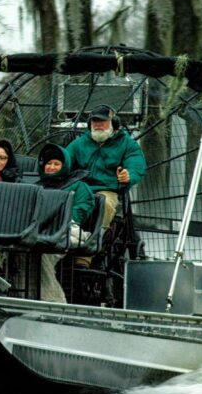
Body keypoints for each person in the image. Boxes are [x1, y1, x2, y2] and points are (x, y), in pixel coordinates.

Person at [65, 104, 146, 233]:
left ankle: (93, 243)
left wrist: (128, 175)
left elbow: (136, 164)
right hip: (79, 188)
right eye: (94, 121)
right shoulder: (80, 143)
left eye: (102, 121)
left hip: (106, 191)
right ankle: (65, 236)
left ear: (114, 124)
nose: (98, 125)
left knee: (105, 204)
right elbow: (64, 160)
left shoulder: (127, 144)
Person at [37, 143, 96, 303]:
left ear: (65, 165)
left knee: (42, 255)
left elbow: (82, 207)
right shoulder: (36, 187)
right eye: (48, 163)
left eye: (56, 164)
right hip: (39, 230)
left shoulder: (78, 185)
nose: (51, 167)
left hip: (67, 229)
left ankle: (53, 300)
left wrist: (59, 220)